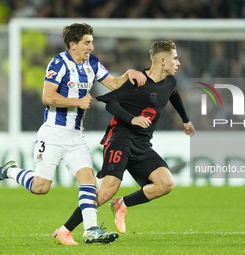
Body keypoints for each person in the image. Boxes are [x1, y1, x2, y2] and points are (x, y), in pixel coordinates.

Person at [0, 23, 147, 245]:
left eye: (92, 41)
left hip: (76, 137)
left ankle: (91, 230)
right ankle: (10, 171)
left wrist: (129, 73)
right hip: (52, 134)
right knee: (41, 187)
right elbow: (47, 97)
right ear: (73, 45)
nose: (92, 46)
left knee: (88, 180)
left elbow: (115, 84)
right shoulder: (59, 63)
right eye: (87, 42)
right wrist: (77, 101)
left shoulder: (93, 63)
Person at [53, 40, 195, 242]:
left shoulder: (171, 82)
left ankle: (122, 204)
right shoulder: (138, 81)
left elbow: (173, 95)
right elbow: (110, 103)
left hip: (142, 143)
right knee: (105, 192)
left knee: (165, 183)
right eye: (175, 58)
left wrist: (186, 120)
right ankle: (64, 230)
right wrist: (132, 119)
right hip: (120, 138)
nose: (178, 62)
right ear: (162, 61)